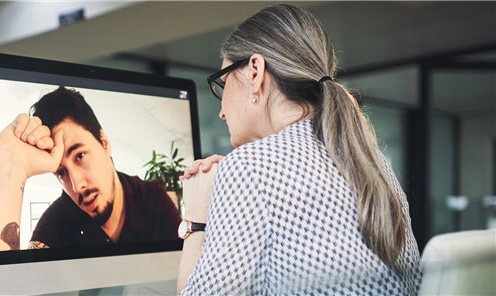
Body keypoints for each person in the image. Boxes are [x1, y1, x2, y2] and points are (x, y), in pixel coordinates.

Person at [177, 4, 421, 295]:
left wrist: (196, 217)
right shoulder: (372, 160)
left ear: (255, 71)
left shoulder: (249, 166)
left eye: (223, 82)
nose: (221, 112)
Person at [0, 86, 181, 251]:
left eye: (80, 156)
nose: (76, 185)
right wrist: (10, 166)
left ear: (104, 142)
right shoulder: (54, 224)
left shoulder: (152, 198)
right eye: (61, 172)